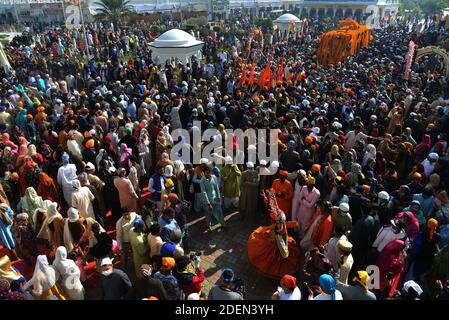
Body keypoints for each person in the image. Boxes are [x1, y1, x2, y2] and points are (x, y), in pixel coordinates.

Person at [200, 166, 226, 230]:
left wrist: (218, 197)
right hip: (207, 201)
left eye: (209, 173)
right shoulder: (202, 181)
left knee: (219, 212)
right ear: (204, 173)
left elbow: (216, 188)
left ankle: (223, 224)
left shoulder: (214, 177)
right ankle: (208, 225)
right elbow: (204, 193)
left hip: (215, 199)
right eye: (206, 173)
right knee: (208, 214)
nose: (208, 174)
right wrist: (208, 204)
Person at [116, 207, 138, 275]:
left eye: (128, 214)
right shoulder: (119, 223)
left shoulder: (135, 215)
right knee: (123, 257)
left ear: (130, 212)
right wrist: (120, 248)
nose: (126, 216)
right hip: (126, 242)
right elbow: (118, 236)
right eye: (124, 215)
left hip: (134, 240)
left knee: (136, 254)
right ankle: (124, 272)